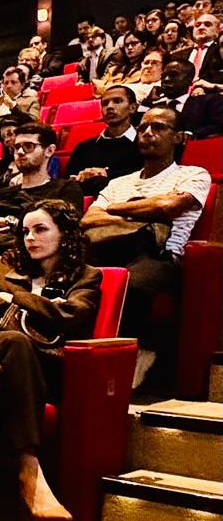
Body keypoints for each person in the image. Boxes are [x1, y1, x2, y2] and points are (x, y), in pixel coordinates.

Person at [0, 199, 100, 521]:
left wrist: (13, 298)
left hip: (37, 372)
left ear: (65, 233)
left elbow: (74, 316)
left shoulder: (85, 277)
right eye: (26, 231)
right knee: (13, 342)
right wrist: (3, 303)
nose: (30, 238)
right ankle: (29, 467)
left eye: (40, 229)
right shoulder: (0, 267)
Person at [82, 106, 212, 386]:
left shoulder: (193, 174)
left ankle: (137, 353)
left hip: (160, 256)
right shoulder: (119, 183)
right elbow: (89, 218)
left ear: (179, 137)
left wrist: (116, 209)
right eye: (142, 128)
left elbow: (168, 206)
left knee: (130, 283)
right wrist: (140, 210)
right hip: (109, 249)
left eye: (158, 127)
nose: (148, 133)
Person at [0, 122, 85, 266]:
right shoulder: (2, 193)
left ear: (49, 151)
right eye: (17, 147)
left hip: (30, 253)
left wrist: (2, 222)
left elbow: (66, 228)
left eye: (29, 146)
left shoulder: (65, 188)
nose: (20, 152)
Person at [64, 85, 144, 197]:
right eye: (105, 104)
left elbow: (147, 175)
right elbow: (68, 183)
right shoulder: (84, 148)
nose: (109, 107)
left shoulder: (145, 144)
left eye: (117, 101)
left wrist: (105, 174)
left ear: (133, 108)